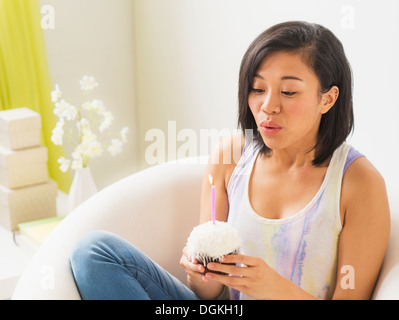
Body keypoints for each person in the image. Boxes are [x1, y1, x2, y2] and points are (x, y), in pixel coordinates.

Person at [70, 21, 390, 300]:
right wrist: (201, 274)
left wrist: (274, 288)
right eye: (257, 89)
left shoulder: (358, 182)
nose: (267, 106)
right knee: (93, 254)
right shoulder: (230, 157)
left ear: (328, 98)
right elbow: (211, 295)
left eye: (288, 92)